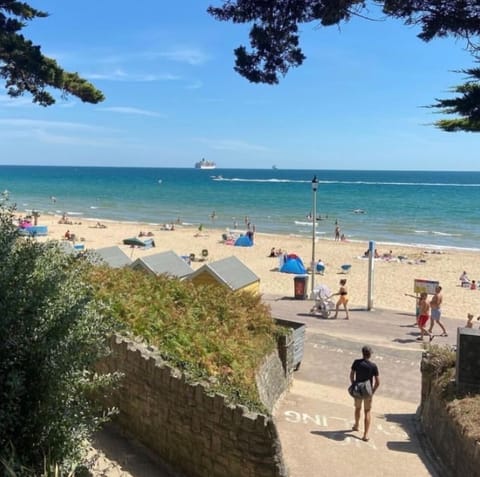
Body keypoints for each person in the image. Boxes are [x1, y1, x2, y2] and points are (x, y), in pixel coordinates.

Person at [350, 345, 380, 442]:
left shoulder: (356, 362)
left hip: (358, 389)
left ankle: (356, 425)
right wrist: (372, 392)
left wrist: (354, 384)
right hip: (367, 391)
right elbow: (378, 382)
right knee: (367, 411)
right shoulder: (373, 366)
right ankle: (365, 434)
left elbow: (351, 375)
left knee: (357, 408)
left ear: (362, 353)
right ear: (370, 354)